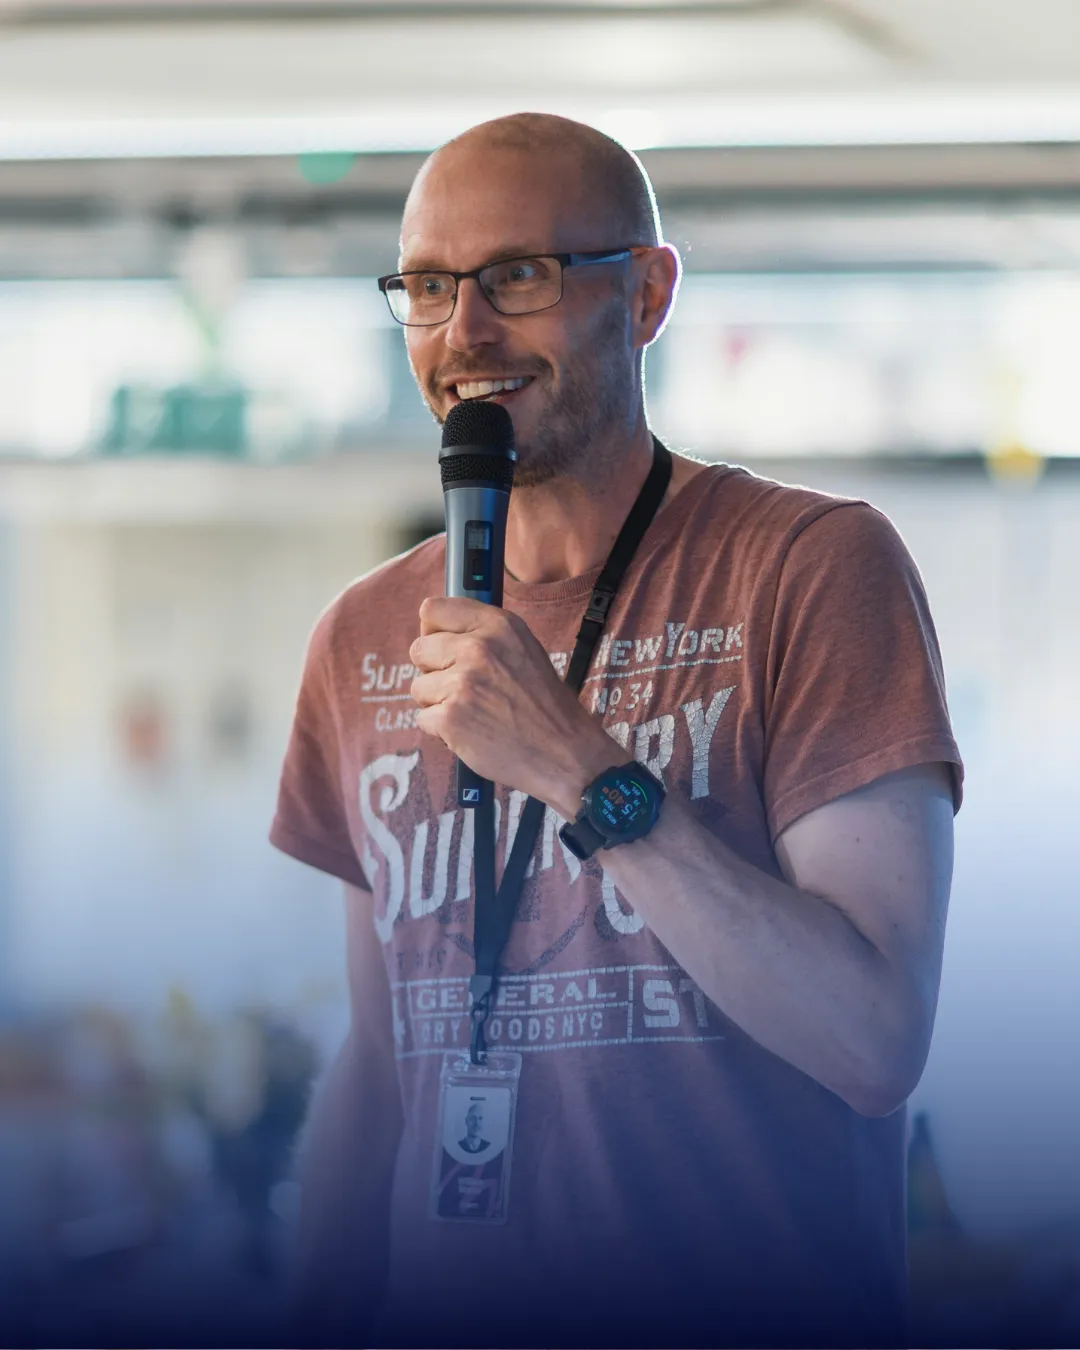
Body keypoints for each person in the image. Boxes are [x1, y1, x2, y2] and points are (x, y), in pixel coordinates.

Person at [270, 112, 962, 1349]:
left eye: (518, 276)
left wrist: (579, 766)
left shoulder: (808, 569)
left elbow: (873, 1042)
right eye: (428, 287)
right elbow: (382, 1067)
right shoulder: (363, 634)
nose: (465, 332)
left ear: (646, 294)